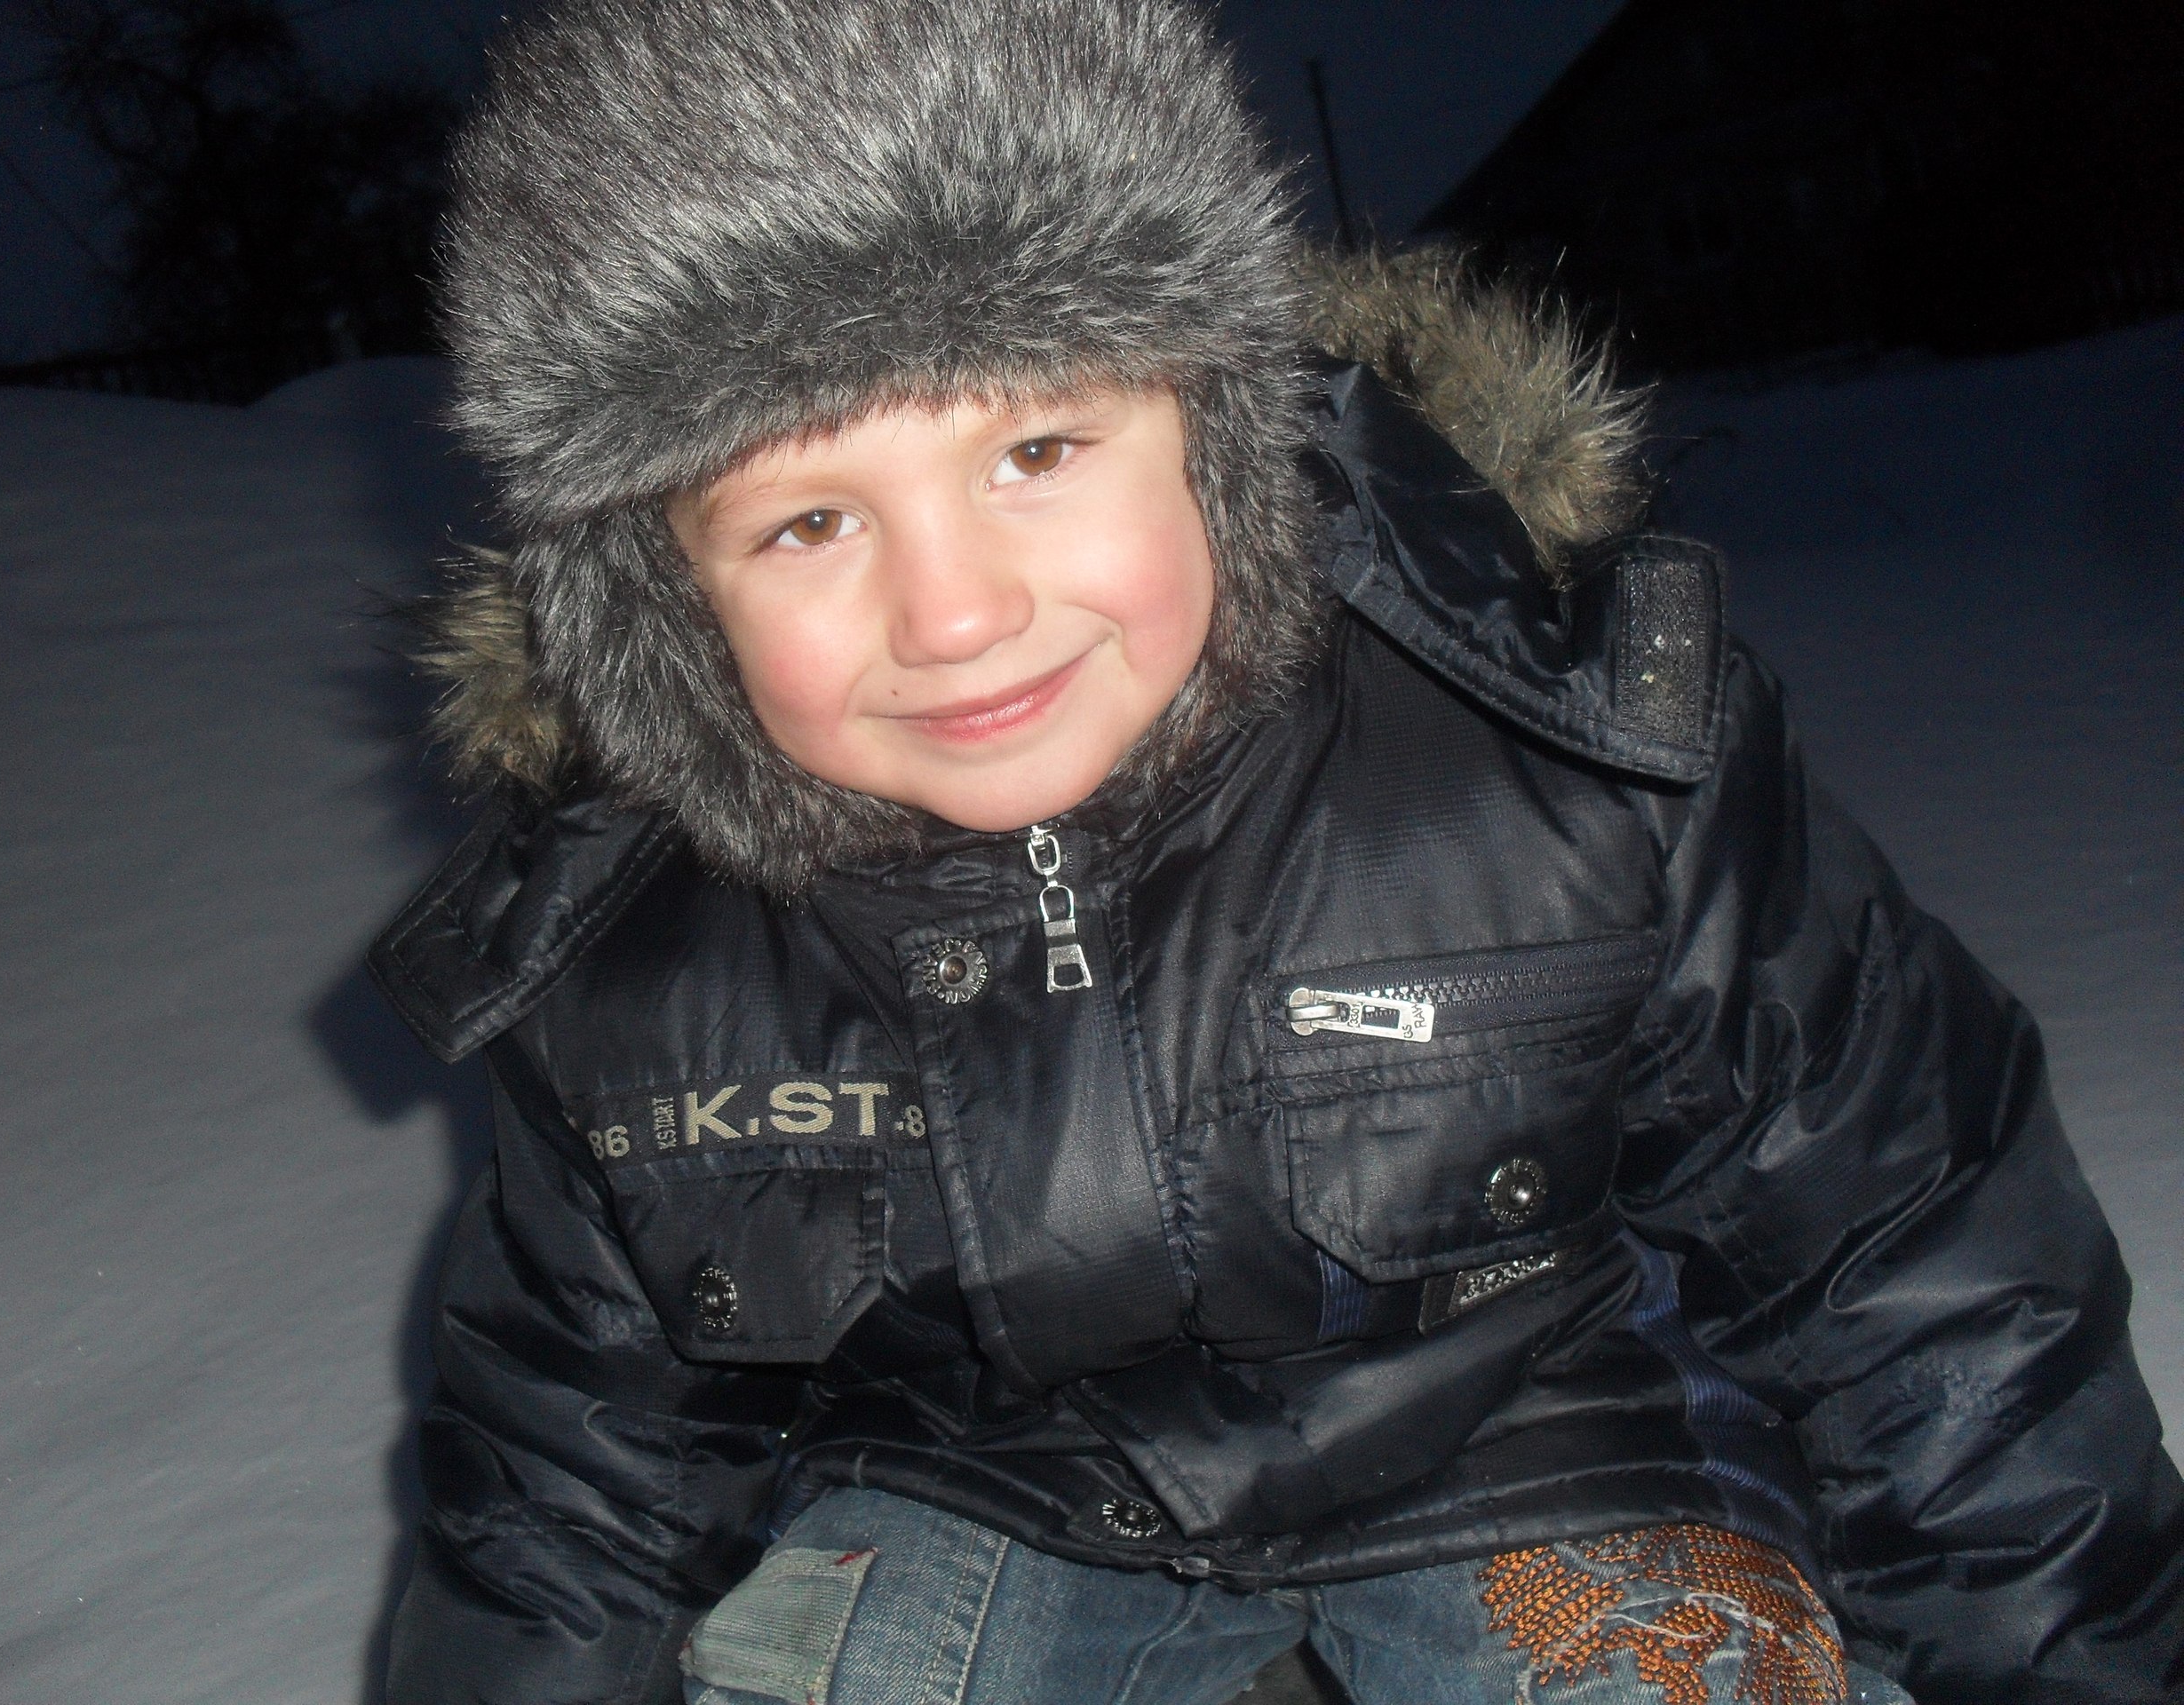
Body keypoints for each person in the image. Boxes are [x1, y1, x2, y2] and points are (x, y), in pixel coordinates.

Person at [365, 0, 2184, 1700]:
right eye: (809, 522)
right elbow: (570, 1464)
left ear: (1217, 425)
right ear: (660, 600)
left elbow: (1907, 1253)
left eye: (1037, 448)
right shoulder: (636, 958)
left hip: (1548, 1440)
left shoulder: (1565, 762)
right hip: (967, 1495)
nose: (954, 613)